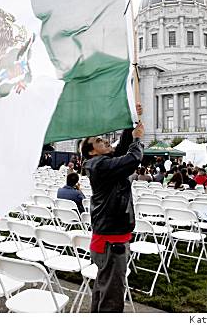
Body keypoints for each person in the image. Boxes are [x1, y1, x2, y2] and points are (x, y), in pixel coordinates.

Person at [80, 115, 144, 313]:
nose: (105, 141)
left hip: (109, 238)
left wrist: (130, 120)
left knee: (104, 288)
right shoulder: (99, 165)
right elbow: (133, 158)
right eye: (99, 141)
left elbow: (122, 150)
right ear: (91, 151)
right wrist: (137, 139)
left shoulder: (102, 164)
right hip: (111, 242)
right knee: (112, 296)